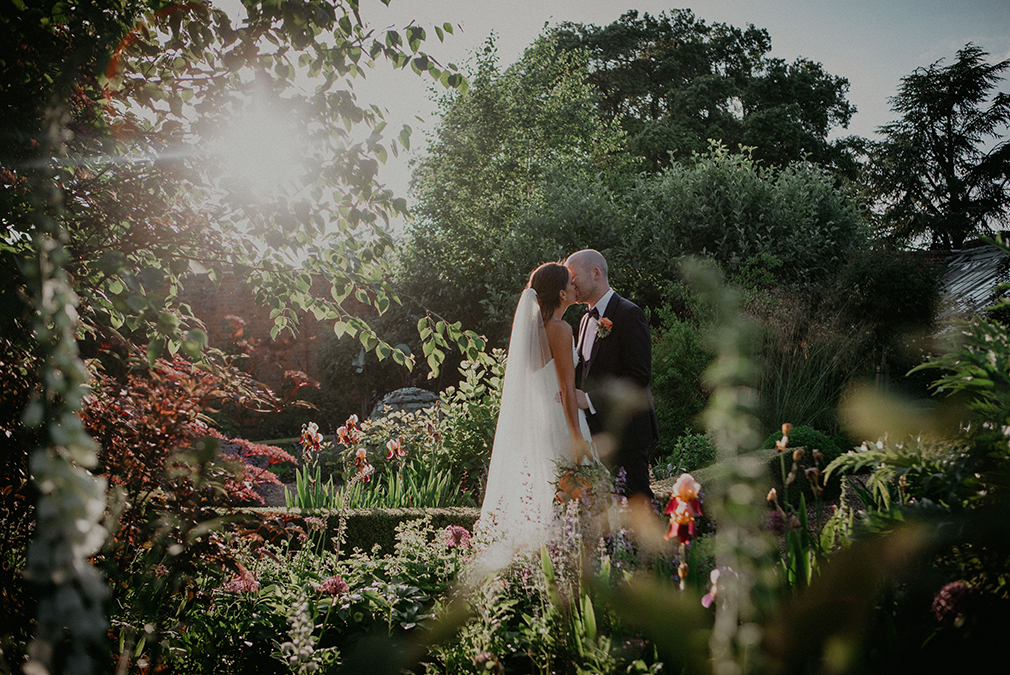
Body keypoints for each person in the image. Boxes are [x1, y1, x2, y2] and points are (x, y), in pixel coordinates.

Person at [479, 262, 591, 553]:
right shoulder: (560, 329)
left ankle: (539, 557)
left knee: (545, 494)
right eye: (570, 283)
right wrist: (577, 436)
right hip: (564, 421)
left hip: (542, 423)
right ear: (562, 295)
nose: (574, 287)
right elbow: (567, 388)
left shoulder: (533, 332)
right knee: (574, 494)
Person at [566, 249, 659, 500]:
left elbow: (639, 376)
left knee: (637, 504)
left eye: (573, 276)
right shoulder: (585, 320)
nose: (570, 283)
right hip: (595, 432)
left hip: (627, 432)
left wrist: (591, 399)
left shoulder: (629, 314)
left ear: (595, 273)